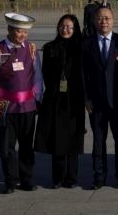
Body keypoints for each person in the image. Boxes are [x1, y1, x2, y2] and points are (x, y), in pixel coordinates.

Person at [0, 13, 43, 194]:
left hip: (27, 106)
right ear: (9, 29)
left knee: (26, 145)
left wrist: (38, 98)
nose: (23, 35)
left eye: (25, 32)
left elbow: (37, 77)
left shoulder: (32, 49)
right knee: (7, 146)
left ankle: (27, 179)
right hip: (6, 106)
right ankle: (10, 180)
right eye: (19, 31)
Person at [82, 6, 118, 190]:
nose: (104, 21)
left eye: (107, 18)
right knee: (98, 141)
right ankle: (99, 176)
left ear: (113, 20)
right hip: (96, 102)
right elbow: (83, 74)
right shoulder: (86, 44)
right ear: (95, 21)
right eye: (100, 18)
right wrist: (86, 98)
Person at [33, 14, 85, 189]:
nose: (66, 29)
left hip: (74, 99)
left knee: (73, 139)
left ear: (75, 28)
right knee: (57, 139)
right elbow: (44, 73)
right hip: (55, 98)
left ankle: (71, 177)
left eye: (70, 26)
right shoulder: (49, 48)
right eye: (63, 26)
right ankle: (57, 177)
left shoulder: (81, 47)